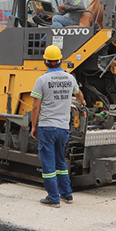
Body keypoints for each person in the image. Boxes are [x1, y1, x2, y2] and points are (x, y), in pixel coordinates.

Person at [30, 44, 87, 207]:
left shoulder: (42, 80)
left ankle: (53, 197)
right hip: (63, 127)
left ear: (45, 62)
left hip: (47, 127)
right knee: (60, 160)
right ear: (61, 61)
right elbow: (79, 94)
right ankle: (66, 194)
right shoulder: (70, 78)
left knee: (48, 162)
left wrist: (34, 126)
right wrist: (82, 101)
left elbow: (35, 106)